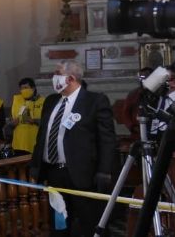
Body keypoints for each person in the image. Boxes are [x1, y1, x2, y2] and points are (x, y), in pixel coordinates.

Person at [29, 60, 116, 237]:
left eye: (57, 73)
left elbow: (107, 140)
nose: (53, 77)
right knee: (59, 224)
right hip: (54, 173)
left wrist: (104, 171)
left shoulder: (94, 101)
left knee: (90, 223)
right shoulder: (51, 101)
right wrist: (35, 167)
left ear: (70, 78)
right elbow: (42, 136)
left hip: (83, 175)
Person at [11, 77, 46, 155]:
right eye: (21, 88)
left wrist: (35, 120)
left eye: (26, 87)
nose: (23, 90)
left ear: (33, 88)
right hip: (19, 142)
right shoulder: (17, 100)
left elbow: (47, 121)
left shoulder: (43, 101)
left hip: (34, 141)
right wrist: (12, 123)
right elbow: (12, 119)